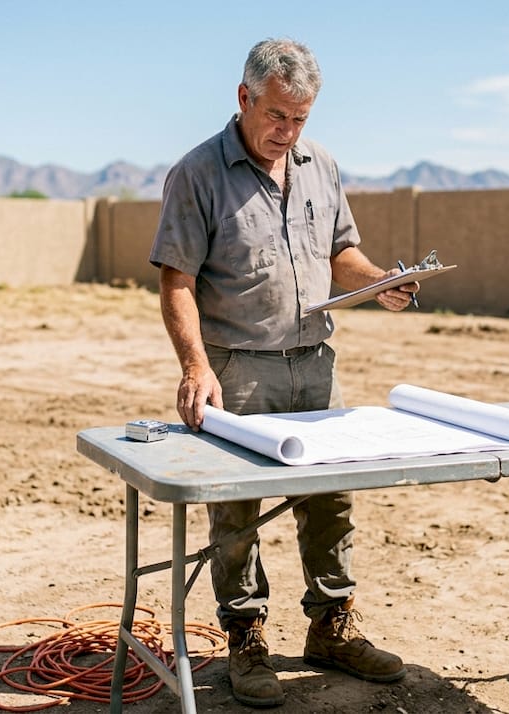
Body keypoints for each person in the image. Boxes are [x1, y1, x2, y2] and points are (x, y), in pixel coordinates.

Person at [149, 38, 418, 707]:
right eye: (277, 116)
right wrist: (195, 366)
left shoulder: (319, 164)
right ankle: (246, 639)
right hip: (239, 372)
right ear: (243, 98)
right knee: (236, 513)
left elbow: (341, 254)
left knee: (332, 501)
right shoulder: (198, 174)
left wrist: (382, 281)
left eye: (301, 119)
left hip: (315, 368)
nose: (289, 132)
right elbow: (176, 282)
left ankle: (332, 627)